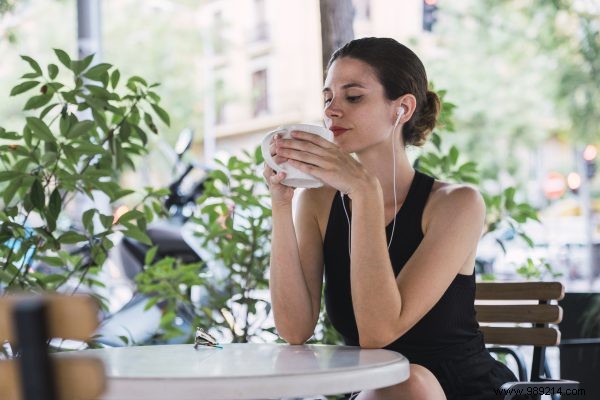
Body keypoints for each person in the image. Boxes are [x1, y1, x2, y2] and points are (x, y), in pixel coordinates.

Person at [264, 37, 522, 400]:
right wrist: (281, 203)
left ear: (401, 108)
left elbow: (379, 332)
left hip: (461, 388)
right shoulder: (318, 202)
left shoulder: (457, 204)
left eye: (352, 97)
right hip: (373, 390)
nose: (331, 111)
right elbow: (294, 329)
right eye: (328, 98)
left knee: (408, 381)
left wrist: (364, 191)